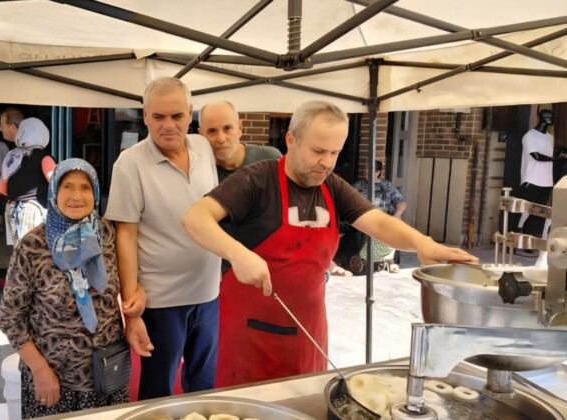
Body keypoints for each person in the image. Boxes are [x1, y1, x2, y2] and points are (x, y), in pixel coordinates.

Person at [182, 100, 477, 388]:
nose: (326, 162)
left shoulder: (332, 186)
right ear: (291, 140)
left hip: (308, 330)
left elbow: (377, 221)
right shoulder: (257, 179)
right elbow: (196, 218)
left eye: (335, 152)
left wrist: (422, 243)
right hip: (249, 335)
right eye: (318, 151)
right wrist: (238, 254)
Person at [105, 77, 220, 400]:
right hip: (162, 300)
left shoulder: (203, 148)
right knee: (158, 390)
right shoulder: (129, 164)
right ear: (144, 116)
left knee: (204, 384)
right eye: (158, 117)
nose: (168, 125)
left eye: (177, 116)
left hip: (209, 292)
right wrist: (132, 310)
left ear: (190, 114)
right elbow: (125, 235)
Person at [0, 158, 133, 417]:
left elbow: (125, 287)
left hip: (107, 376)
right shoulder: (33, 246)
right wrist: (39, 370)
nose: (76, 196)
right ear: (54, 192)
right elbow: (9, 319)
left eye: (85, 187)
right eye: (67, 186)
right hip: (55, 382)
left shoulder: (107, 234)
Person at [0, 110, 53, 245]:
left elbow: (3, 189)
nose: (0, 128)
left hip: (13, 209)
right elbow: (56, 183)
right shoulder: (45, 158)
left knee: (18, 250)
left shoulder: (11, 156)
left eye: (2, 124)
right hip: (36, 210)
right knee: (35, 250)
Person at [198, 100, 281, 183]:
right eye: (212, 131)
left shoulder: (270, 160)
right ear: (201, 135)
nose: (221, 139)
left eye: (227, 128)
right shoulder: (199, 173)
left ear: (240, 128)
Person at [517, 109, 555, 240]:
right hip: (532, 178)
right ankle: (518, 235)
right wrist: (556, 159)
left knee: (539, 212)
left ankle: (530, 237)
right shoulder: (529, 136)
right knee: (526, 210)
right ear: (540, 117)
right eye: (547, 116)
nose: (550, 118)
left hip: (547, 180)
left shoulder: (551, 138)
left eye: (552, 116)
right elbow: (536, 156)